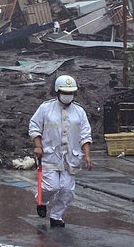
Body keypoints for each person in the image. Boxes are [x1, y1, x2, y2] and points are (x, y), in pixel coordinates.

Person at [28, 74, 93, 228]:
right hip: (50, 155)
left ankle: (56, 216)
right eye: (64, 92)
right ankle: (42, 201)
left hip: (71, 158)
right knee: (51, 187)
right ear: (57, 91)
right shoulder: (45, 108)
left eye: (70, 93)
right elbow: (34, 126)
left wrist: (88, 156)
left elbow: (85, 135)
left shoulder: (79, 112)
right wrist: (38, 145)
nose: (67, 96)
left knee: (67, 190)